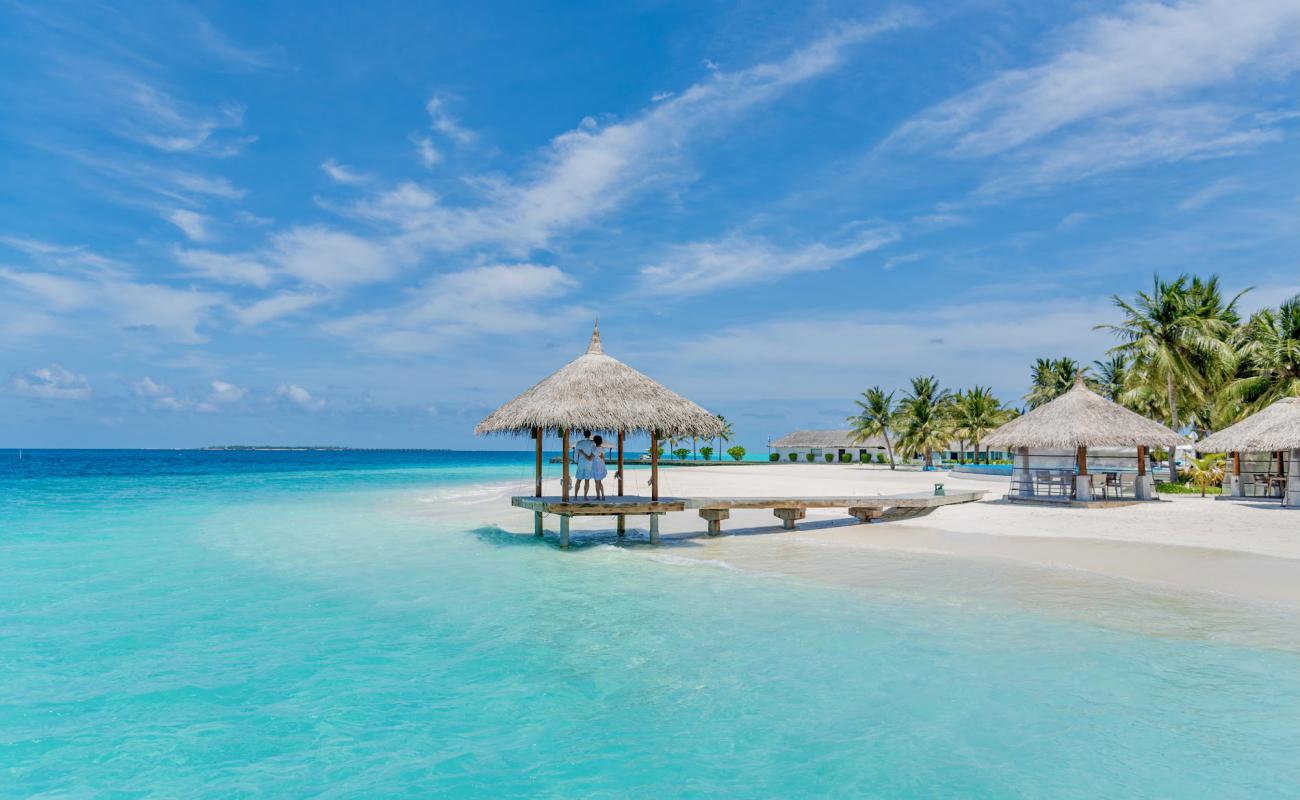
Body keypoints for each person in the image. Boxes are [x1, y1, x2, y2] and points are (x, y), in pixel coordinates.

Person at [573, 430, 596, 500]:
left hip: (581, 463)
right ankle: (585, 496)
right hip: (589, 464)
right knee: (587, 481)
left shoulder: (579, 443)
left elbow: (576, 455)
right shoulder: (593, 443)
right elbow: (593, 454)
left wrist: (576, 461)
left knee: (578, 480)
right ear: (590, 435)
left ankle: (575, 496)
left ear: (584, 435)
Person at [591, 435, 608, 500]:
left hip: (596, 466)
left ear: (595, 441)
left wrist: (583, 453)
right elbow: (603, 458)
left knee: (597, 482)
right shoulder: (603, 449)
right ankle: (603, 495)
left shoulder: (594, 449)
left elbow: (590, 458)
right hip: (601, 465)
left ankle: (598, 496)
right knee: (600, 482)